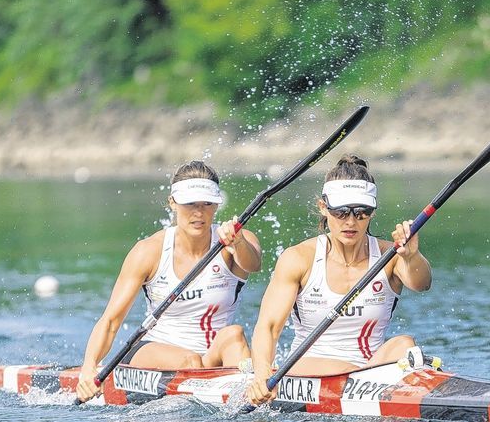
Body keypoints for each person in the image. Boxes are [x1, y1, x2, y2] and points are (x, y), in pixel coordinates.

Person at [247, 155, 431, 405]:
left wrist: (412, 256)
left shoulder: (391, 256)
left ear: (373, 210)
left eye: (361, 212)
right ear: (323, 207)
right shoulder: (299, 259)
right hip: (308, 370)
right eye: (341, 211)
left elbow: (422, 284)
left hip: (371, 369)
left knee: (405, 344)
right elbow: (268, 327)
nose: (351, 221)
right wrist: (260, 376)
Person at [76, 160, 262, 403]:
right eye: (190, 204)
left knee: (234, 334)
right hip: (154, 351)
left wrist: (237, 243)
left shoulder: (237, 241)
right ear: (173, 203)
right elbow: (111, 320)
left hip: (210, 356)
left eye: (207, 203)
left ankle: (250, 399)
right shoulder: (149, 252)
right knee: (190, 360)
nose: (199, 212)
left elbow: (254, 264)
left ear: (217, 204)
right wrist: (89, 368)